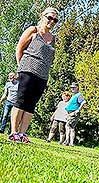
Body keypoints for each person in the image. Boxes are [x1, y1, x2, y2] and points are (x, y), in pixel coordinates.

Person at [9, 7, 59, 143]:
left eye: (55, 20)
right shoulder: (33, 30)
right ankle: (14, 132)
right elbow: (19, 49)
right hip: (28, 70)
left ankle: (22, 134)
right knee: (21, 100)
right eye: (50, 17)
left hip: (42, 75)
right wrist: (21, 67)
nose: (52, 21)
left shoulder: (53, 38)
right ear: (43, 16)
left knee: (31, 104)